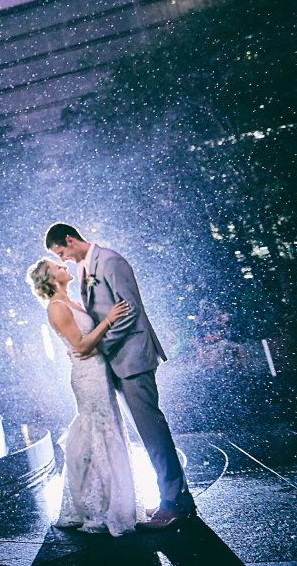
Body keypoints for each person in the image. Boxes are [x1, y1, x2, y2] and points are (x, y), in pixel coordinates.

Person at [45, 222, 196, 529]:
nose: (64, 259)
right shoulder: (88, 270)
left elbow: (129, 312)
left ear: (70, 240)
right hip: (117, 364)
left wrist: (99, 349)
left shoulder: (110, 261)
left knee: (153, 432)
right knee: (148, 433)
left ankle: (177, 504)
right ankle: (174, 496)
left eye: (61, 251)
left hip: (132, 359)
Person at [27, 259, 137, 535]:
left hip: (100, 372)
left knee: (107, 432)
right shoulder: (57, 308)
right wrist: (109, 319)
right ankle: (98, 507)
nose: (64, 267)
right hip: (87, 377)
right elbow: (82, 346)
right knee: (97, 435)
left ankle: (115, 500)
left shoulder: (73, 302)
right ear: (51, 279)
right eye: (58, 267)